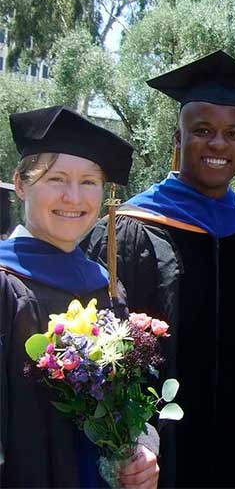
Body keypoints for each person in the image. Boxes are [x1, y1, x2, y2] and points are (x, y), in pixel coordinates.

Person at [84, 50, 235, 487]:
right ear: (177, 138)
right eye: (203, 131)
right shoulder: (129, 232)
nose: (219, 144)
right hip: (155, 462)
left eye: (234, 133)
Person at [0, 106, 159, 488]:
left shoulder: (105, 286)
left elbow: (128, 405)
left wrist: (143, 449)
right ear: (20, 184)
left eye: (89, 181)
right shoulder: (5, 285)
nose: (74, 197)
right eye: (56, 178)